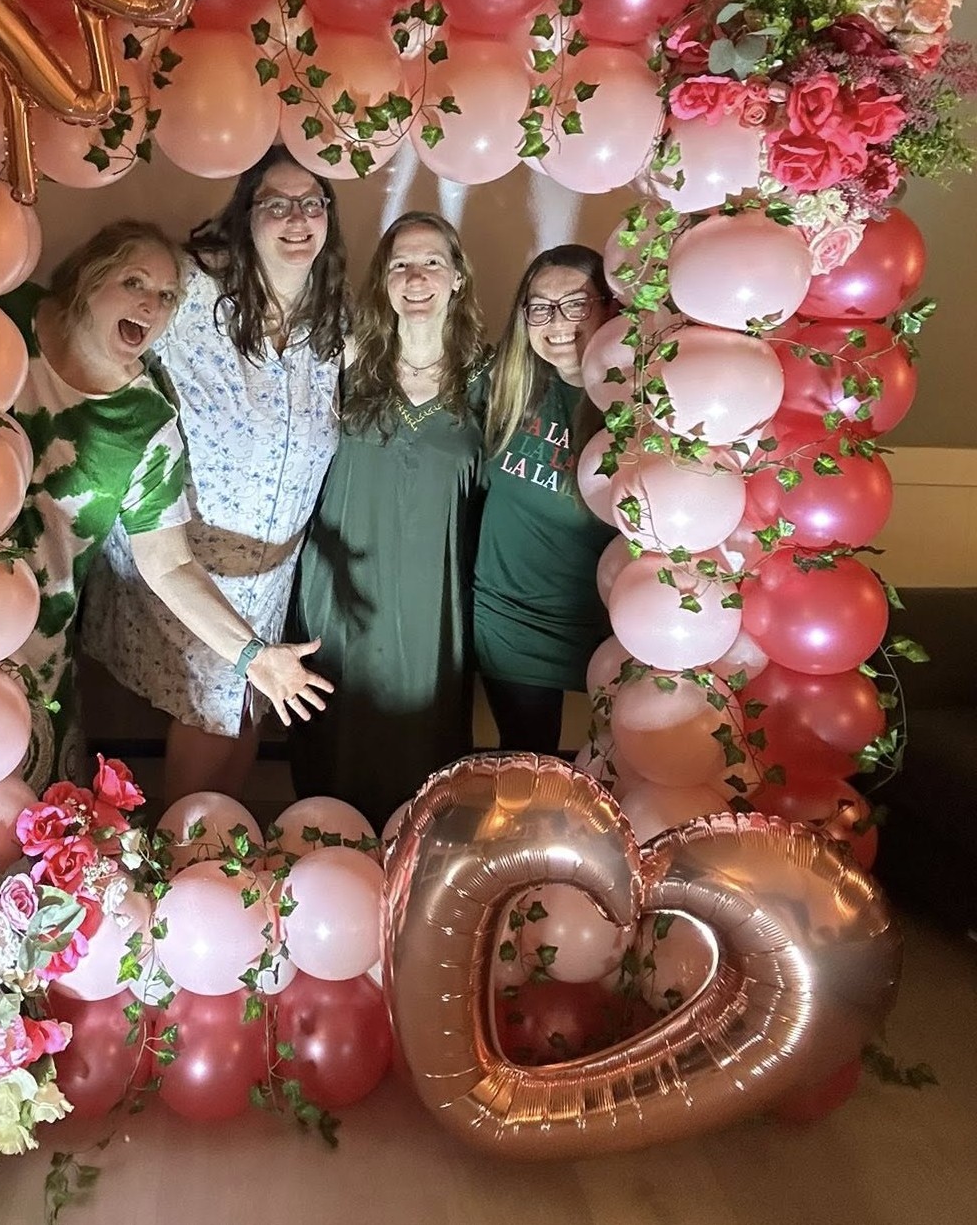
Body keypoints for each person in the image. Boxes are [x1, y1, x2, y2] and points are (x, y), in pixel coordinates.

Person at [1, 219, 332, 792]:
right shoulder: (3, 319)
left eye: (167, 296)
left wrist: (253, 656)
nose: (151, 305)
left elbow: (170, 564)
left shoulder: (148, 425)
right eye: (134, 283)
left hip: (30, 646)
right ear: (89, 279)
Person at [83, 149, 346, 804]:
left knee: (245, 709)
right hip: (187, 560)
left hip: (274, 568)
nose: (296, 218)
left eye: (312, 203)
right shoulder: (194, 292)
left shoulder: (332, 319)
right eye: (276, 204)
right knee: (212, 713)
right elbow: (99, 316)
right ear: (245, 217)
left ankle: (222, 854)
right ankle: (185, 867)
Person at [287, 211, 489, 830]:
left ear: (457, 276)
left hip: (435, 597)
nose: (417, 276)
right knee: (334, 729)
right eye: (401, 263)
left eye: (432, 261)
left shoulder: (491, 376)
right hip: (337, 588)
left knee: (421, 740)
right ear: (383, 280)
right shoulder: (345, 363)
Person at [472, 244, 618, 756]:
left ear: (609, 306)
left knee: (621, 762)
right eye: (540, 307)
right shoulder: (507, 385)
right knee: (526, 760)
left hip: (604, 627)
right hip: (507, 618)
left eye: (577, 304)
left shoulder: (636, 403)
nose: (558, 323)